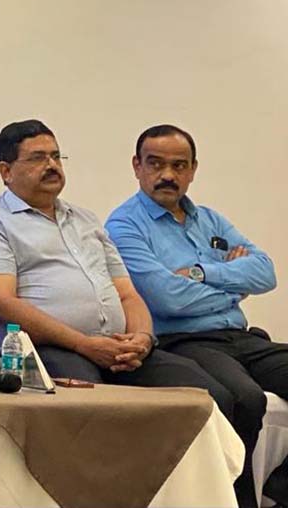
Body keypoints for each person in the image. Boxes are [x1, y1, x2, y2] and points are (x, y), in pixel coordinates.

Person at [0, 122, 237, 438]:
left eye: (56, 156)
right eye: (37, 158)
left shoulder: (85, 220)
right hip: (48, 350)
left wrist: (142, 339)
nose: (51, 165)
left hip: (117, 349)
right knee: (98, 411)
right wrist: (84, 344)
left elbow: (127, 294)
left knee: (212, 397)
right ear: (6, 171)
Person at [106, 124, 288, 507]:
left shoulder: (210, 220)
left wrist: (202, 273)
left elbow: (266, 272)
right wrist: (235, 287)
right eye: (155, 164)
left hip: (242, 336)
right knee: (245, 398)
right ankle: (237, 501)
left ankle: (280, 485)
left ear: (193, 169)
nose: (167, 175)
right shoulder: (123, 225)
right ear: (137, 166)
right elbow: (167, 299)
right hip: (185, 341)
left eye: (179, 165)